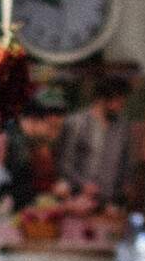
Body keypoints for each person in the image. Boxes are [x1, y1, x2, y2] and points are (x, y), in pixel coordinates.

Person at [57, 73, 135, 204]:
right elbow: (64, 164)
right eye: (119, 99)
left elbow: (125, 162)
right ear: (103, 98)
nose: (122, 104)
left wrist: (125, 188)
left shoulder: (122, 126)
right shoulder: (77, 123)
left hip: (111, 201)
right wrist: (83, 184)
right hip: (78, 200)